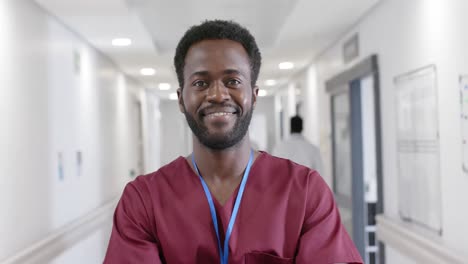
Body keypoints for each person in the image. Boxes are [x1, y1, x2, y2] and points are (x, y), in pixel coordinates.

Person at [104, 20, 362, 264]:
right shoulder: (142, 202)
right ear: (181, 99)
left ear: (254, 95)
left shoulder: (305, 193)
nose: (217, 94)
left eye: (233, 81)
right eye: (201, 82)